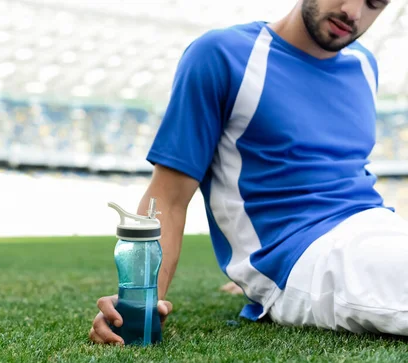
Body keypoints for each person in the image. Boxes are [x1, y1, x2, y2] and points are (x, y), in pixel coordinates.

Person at [89, 0, 404, 345]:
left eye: (375, 3)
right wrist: (143, 303)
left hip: (379, 225)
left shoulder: (363, 65)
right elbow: (168, 194)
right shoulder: (223, 55)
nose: (355, 13)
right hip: (300, 255)